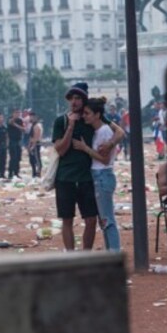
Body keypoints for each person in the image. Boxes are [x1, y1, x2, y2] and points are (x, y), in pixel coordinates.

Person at [52, 82, 125, 251]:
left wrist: (110, 144)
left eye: (78, 98)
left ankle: (86, 256)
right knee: (67, 219)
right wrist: (70, 126)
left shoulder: (91, 117)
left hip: (87, 178)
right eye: (71, 98)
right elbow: (61, 150)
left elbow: (119, 132)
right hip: (65, 178)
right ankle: (71, 257)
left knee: (91, 219)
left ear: (84, 100)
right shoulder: (61, 121)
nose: (74, 102)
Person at [72, 97, 122, 253]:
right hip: (100, 176)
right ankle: (111, 252)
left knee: (108, 220)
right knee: (104, 220)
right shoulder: (100, 131)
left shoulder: (104, 131)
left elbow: (105, 160)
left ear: (97, 115)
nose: (85, 116)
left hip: (102, 175)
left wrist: (84, 148)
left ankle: (114, 253)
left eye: (88, 113)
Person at [7, 109, 25, 179]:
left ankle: (16, 172)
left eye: (18, 113)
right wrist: (14, 120)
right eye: (16, 113)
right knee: (13, 158)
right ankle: (10, 173)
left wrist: (16, 125)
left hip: (18, 140)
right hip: (12, 141)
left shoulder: (20, 121)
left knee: (18, 157)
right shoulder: (10, 119)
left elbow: (23, 129)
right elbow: (10, 122)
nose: (17, 114)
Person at [28, 114, 43, 178]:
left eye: (32, 117)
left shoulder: (37, 126)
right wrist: (29, 145)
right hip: (32, 144)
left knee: (37, 159)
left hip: (36, 144)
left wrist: (33, 146)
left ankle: (38, 173)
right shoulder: (33, 125)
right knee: (32, 160)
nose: (31, 119)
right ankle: (34, 173)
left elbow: (36, 137)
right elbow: (31, 137)